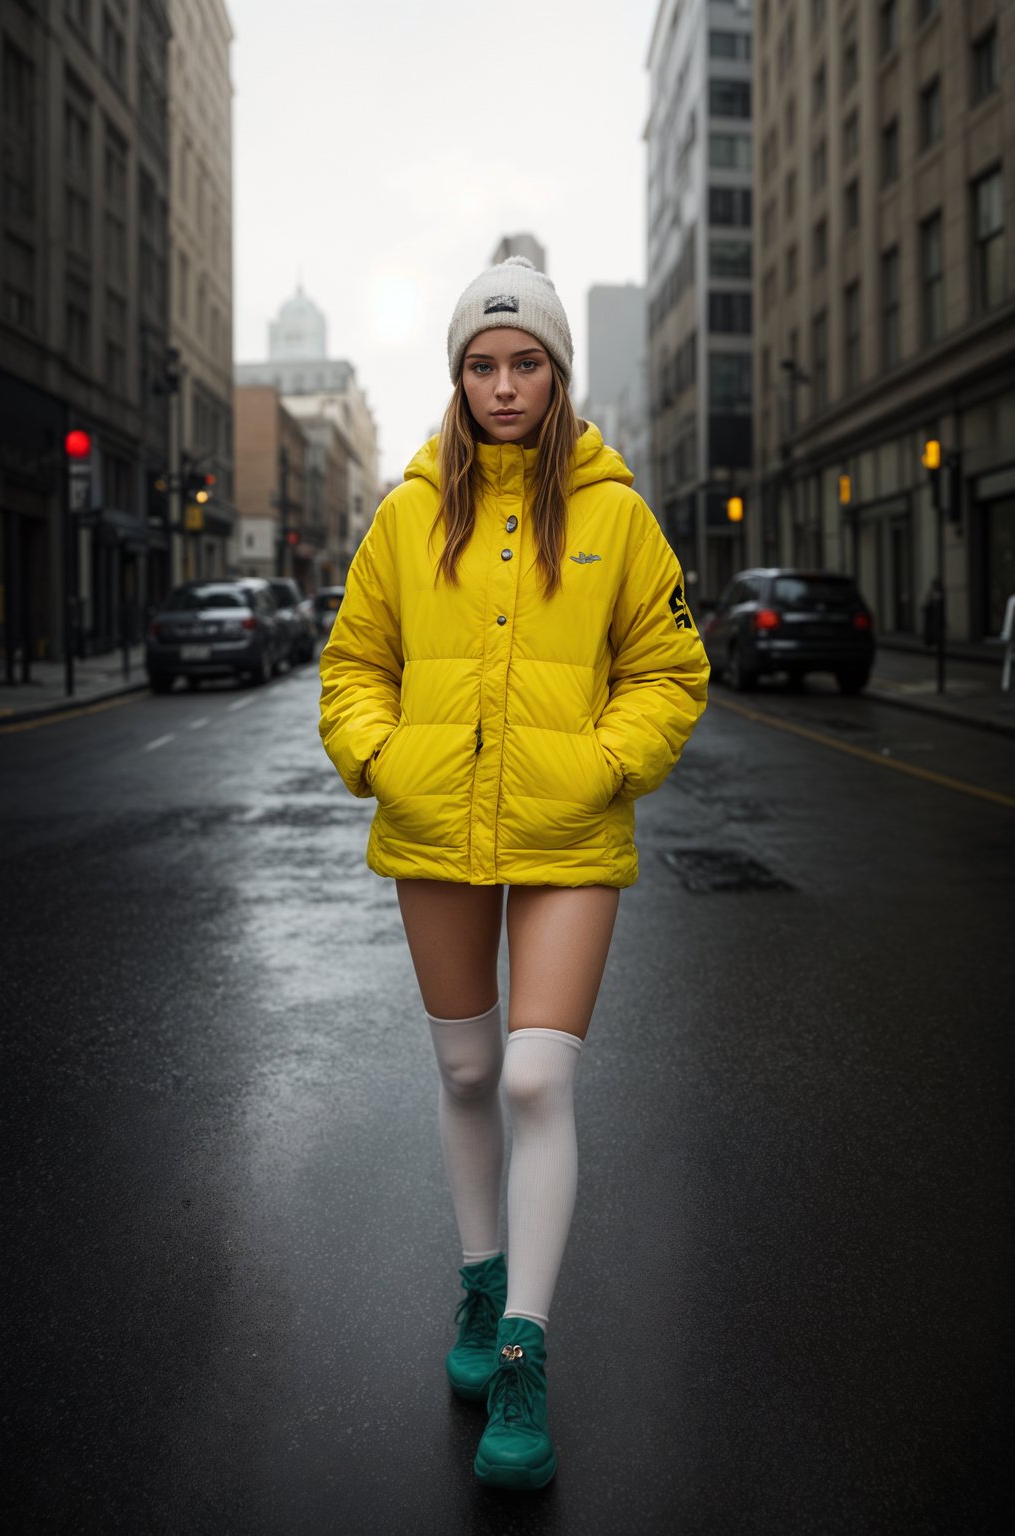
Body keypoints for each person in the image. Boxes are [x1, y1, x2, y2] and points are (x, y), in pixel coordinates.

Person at [318, 255, 709, 1490]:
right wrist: (380, 758)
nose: (502, 385)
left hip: (567, 836)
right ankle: (477, 1293)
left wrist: (604, 764)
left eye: (523, 362)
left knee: (538, 1078)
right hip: (435, 827)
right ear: (457, 376)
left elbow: (669, 670)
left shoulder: (614, 514)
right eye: (481, 365)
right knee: (470, 1066)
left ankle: (526, 1350)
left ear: (555, 372)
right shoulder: (406, 512)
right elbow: (351, 664)